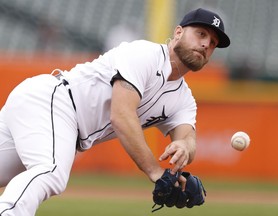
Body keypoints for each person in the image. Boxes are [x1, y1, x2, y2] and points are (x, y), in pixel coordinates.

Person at [0, 8, 230, 216]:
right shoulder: (145, 54)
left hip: (48, 111)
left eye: (212, 43)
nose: (206, 44)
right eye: (201, 34)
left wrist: (183, 147)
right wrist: (156, 172)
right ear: (178, 32)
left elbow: (188, 138)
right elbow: (121, 115)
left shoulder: (184, 100)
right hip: (54, 101)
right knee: (51, 172)